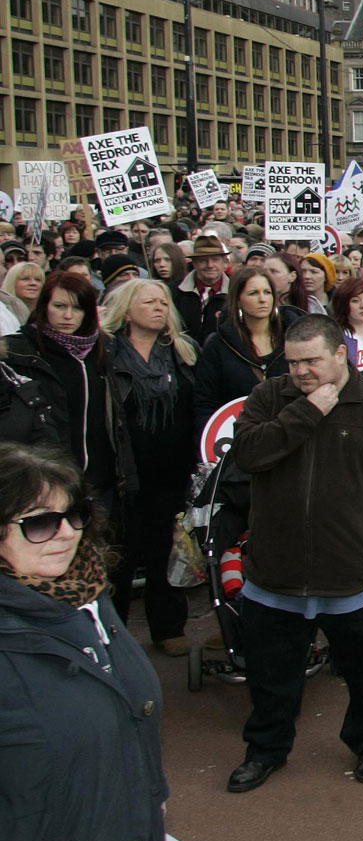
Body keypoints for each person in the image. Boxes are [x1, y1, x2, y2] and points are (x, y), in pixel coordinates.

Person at [223, 316, 363, 793]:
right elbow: (248, 454)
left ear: (340, 355)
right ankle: (266, 750)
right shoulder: (270, 398)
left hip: (352, 573)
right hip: (275, 572)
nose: (301, 371)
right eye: (293, 362)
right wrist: (307, 411)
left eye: (311, 360)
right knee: (271, 677)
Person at [0, 445, 168, 841]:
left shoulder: (87, 594)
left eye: (75, 514)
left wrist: (153, 796)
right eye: (38, 522)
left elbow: (129, 714)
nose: (66, 533)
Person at [99, 279, 199, 656]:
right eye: (149, 301)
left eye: (163, 301)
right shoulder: (105, 354)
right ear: (126, 309)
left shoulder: (182, 351)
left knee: (166, 551)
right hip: (124, 471)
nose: (160, 307)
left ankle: (168, 627)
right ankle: (115, 636)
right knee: (119, 559)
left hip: (173, 470)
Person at [5, 272, 117, 510]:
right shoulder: (20, 352)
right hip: (44, 479)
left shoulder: (104, 349)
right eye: (59, 306)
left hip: (100, 479)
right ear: (44, 306)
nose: (68, 316)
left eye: (77, 308)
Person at [195, 267, 289, 428]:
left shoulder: (292, 339)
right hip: (238, 437)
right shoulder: (218, 344)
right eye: (253, 293)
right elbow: (205, 402)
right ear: (238, 299)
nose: (262, 299)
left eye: (267, 292)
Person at [175, 235, 230, 341]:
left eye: (215, 260)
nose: (209, 265)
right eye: (203, 260)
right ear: (194, 263)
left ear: (224, 263)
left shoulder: (236, 291)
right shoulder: (175, 291)